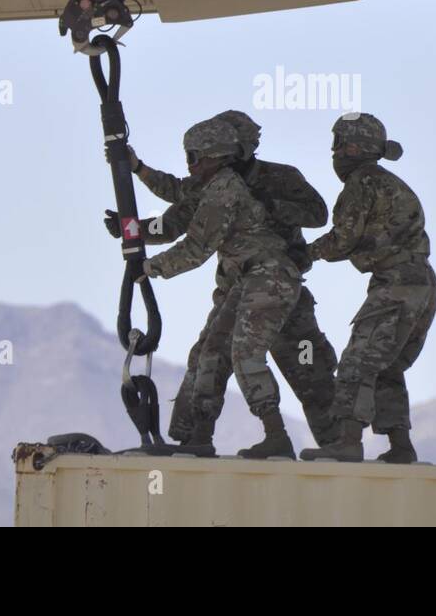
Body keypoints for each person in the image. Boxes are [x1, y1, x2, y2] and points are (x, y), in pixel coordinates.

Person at [124, 110, 339, 456]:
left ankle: (333, 444)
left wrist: (270, 207)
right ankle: (197, 436)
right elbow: (177, 205)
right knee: (210, 354)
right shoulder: (214, 184)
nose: (191, 165)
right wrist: (136, 178)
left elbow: (317, 213)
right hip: (241, 286)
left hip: (274, 283)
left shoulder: (271, 178)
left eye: (194, 156)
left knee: (304, 369)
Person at [299, 113, 436, 464]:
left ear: (352, 146)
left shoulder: (362, 183)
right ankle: (400, 446)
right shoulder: (392, 183)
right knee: (387, 366)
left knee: (358, 361)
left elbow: (342, 240)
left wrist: (305, 254)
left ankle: (348, 441)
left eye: (338, 144)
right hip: (423, 285)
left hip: (396, 285)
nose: (335, 153)